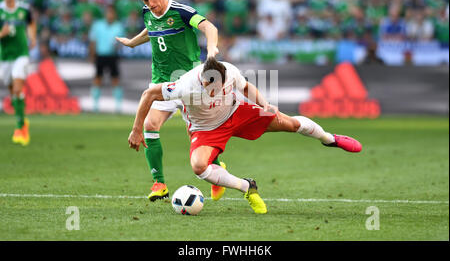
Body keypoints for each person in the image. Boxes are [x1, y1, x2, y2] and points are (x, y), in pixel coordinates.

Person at [128, 57, 363, 214]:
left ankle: (330, 139)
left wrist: (266, 104)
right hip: (206, 129)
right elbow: (149, 94)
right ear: (201, 80)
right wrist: (138, 129)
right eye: (208, 88)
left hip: (237, 113)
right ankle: (247, 187)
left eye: (216, 88)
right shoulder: (184, 85)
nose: (212, 92)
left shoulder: (229, 71)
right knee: (199, 167)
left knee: (289, 123)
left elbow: (247, 88)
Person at [115, 0, 222, 202]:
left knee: (196, 136)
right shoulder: (147, 12)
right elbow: (152, 29)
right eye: (145, 0)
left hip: (189, 81)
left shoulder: (182, 12)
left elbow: (209, 27)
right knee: (150, 125)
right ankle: (159, 183)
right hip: (161, 81)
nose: (151, 4)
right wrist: (133, 42)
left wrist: (212, 48)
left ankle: (216, 171)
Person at [0, 0, 36, 146]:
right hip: (5, 57)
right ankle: (22, 121)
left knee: (17, 87)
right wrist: (2, 34)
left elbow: (31, 22)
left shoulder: (23, 9)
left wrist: (32, 37)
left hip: (21, 54)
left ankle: (20, 127)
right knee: (12, 91)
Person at [89, 5, 125, 113]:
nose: (110, 15)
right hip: (100, 55)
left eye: (112, 13)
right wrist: (91, 55)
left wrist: (117, 45)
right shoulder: (98, 25)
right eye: (108, 12)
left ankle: (118, 106)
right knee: (97, 79)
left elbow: (121, 42)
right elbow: (93, 41)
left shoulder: (119, 26)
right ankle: (95, 105)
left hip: (112, 55)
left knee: (115, 80)